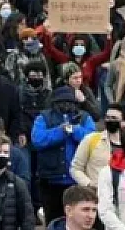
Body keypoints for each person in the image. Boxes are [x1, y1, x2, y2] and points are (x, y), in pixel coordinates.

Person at [32, 85, 97, 221]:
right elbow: (38, 140)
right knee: (53, 220)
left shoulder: (85, 117)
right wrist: (60, 131)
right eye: (62, 102)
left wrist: (75, 130)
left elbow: (92, 139)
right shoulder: (43, 117)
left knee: (78, 221)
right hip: (51, 180)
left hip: (77, 181)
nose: (66, 105)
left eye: (69, 102)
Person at [70, 103, 125, 189]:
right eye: (107, 117)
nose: (109, 120)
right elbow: (75, 168)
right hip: (97, 195)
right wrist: (89, 184)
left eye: (114, 118)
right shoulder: (91, 139)